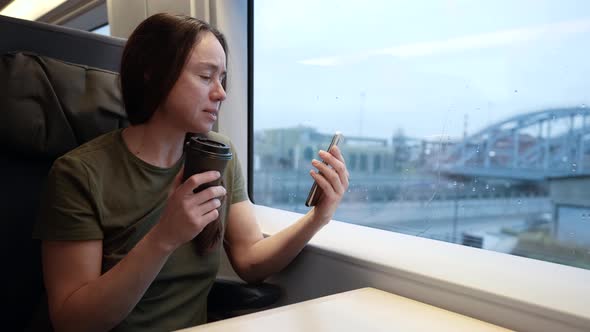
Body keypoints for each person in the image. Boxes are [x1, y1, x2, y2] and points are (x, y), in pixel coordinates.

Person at [33, 13, 349, 332]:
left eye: (222, 78)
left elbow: (251, 260)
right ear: (152, 75)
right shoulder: (79, 174)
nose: (221, 93)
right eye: (205, 76)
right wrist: (164, 238)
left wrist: (318, 218)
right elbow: (72, 321)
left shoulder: (216, 155)